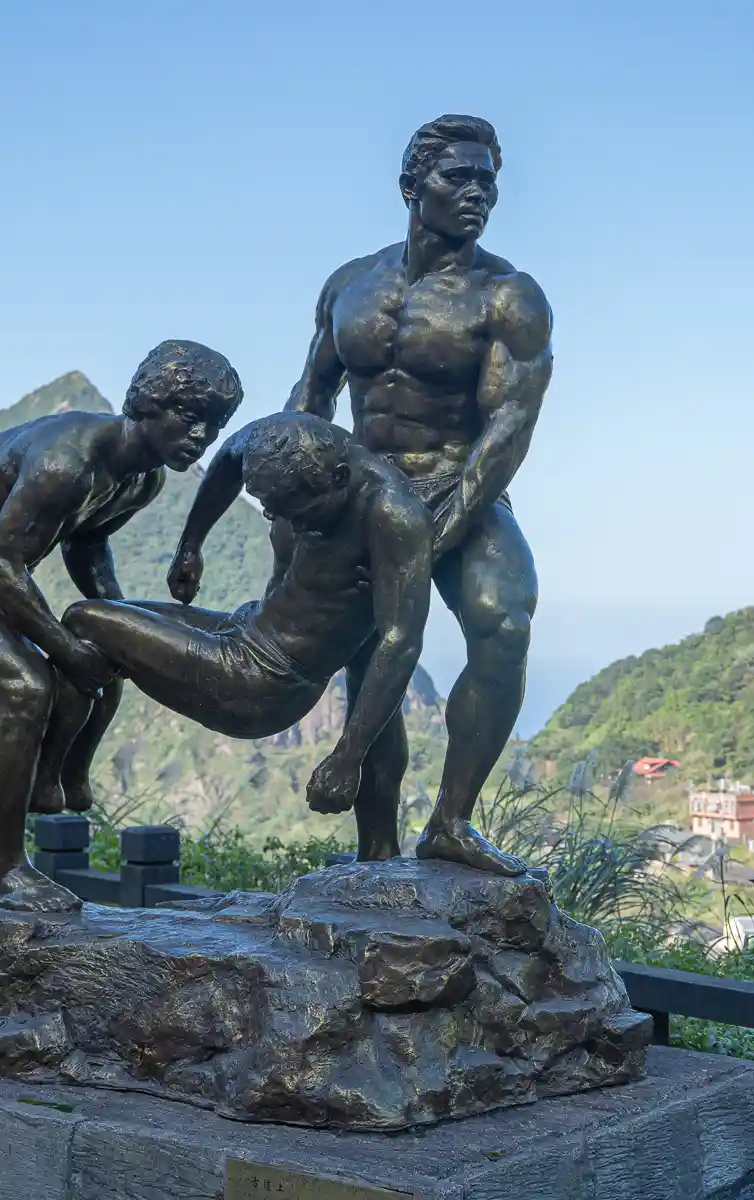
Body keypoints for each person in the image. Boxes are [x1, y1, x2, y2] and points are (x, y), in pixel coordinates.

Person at [0, 340, 243, 938]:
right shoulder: (66, 462)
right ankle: (6, 871)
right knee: (26, 688)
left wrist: (117, 622)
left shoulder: (141, 481)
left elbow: (86, 545)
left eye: (216, 425)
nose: (202, 435)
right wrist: (68, 647)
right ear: (151, 403)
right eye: (191, 416)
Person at [285, 115, 552, 875]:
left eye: (488, 182)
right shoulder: (348, 286)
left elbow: (508, 430)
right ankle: (376, 846)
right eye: (458, 178)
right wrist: (291, 502)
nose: (478, 194)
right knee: (368, 660)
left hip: (463, 486)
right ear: (412, 186)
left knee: (504, 621)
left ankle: (451, 821)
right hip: (362, 496)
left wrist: (440, 525)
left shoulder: (509, 298)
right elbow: (312, 395)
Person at [19, 411, 432, 861]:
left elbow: (400, 639)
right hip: (242, 628)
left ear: (338, 479)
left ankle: (51, 777)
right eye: (271, 509)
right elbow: (230, 456)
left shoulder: (392, 516)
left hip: (264, 681)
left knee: (83, 619)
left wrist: (345, 757)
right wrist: (191, 545)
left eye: (301, 512)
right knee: (102, 620)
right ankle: (67, 778)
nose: (285, 521)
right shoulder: (292, 438)